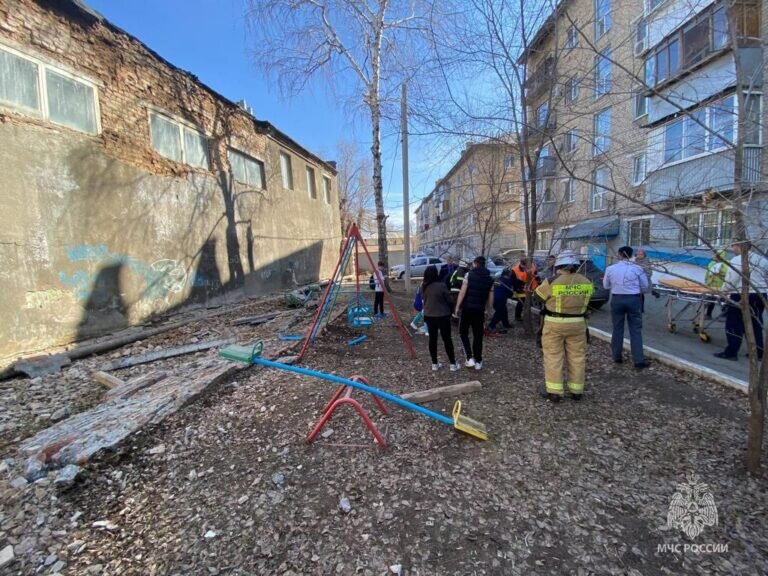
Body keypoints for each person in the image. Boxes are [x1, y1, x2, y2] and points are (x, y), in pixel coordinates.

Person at [535, 252, 594, 402]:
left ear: (559, 266)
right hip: (578, 324)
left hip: (554, 324)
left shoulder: (553, 281)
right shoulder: (586, 281)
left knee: (553, 357)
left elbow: (538, 295)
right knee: (577, 357)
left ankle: (555, 392)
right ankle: (576, 391)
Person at [713, 242, 768, 361]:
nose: (733, 248)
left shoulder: (738, 260)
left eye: (734, 246)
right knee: (755, 323)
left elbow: (732, 278)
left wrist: (723, 291)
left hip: (742, 294)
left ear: (738, 247)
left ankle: (731, 352)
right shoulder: (762, 260)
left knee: (734, 323)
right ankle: (758, 353)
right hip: (760, 294)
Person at [603, 246, 650, 369]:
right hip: (633, 299)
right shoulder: (637, 268)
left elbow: (606, 286)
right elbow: (645, 285)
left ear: (619, 254)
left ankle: (617, 356)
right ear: (631, 255)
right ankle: (639, 360)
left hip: (617, 299)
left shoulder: (610, 269)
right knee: (635, 330)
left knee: (617, 328)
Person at [455, 256, 495, 370]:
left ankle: (469, 358)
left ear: (476, 263)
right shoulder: (490, 278)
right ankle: (478, 361)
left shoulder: (469, 275)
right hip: (479, 310)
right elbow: (491, 297)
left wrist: (457, 306)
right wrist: (489, 310)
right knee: (478, 335)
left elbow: (462, 292)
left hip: (467, 308)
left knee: (463, 333)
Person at [421, 265, 460, 371]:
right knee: (447, 339)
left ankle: (434, 363)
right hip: (443, 316)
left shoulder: (424, 286)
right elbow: (449, 300)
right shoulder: (441, 286)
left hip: (429, 315)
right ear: (436, 274)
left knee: (432, 340)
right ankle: (452, 363)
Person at [488, 268, 515, 333]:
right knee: (499, 313)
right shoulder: (509, 281)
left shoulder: (498, 280)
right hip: (501, 299)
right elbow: (510, 292)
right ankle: (491, 326)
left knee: (504, 311)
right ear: (509, 274)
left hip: (493, 298)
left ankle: (506, 324)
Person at [704, 250, 728, 319]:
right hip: (711, 285)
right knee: (711, 300)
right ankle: (708, 314)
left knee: (723, 301)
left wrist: (720, 272)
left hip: (721, 286)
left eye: (715, 255)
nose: (713, 256)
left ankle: (724, 314)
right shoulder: (711, 263)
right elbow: (707, 273)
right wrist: (706, 281)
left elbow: (727, 274)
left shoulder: (725, 265)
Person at [634, 249, 653, 313]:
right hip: (634, 282)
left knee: (640, 295)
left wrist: (641, 279)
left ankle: (641, 309)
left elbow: (649, 273)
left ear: (644, 255)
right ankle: (636, 308)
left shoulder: (646, 262)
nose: (639, 255)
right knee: (636, 295)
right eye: (638, 254)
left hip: (642, 283)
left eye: (641, 254)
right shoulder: (634, 261)